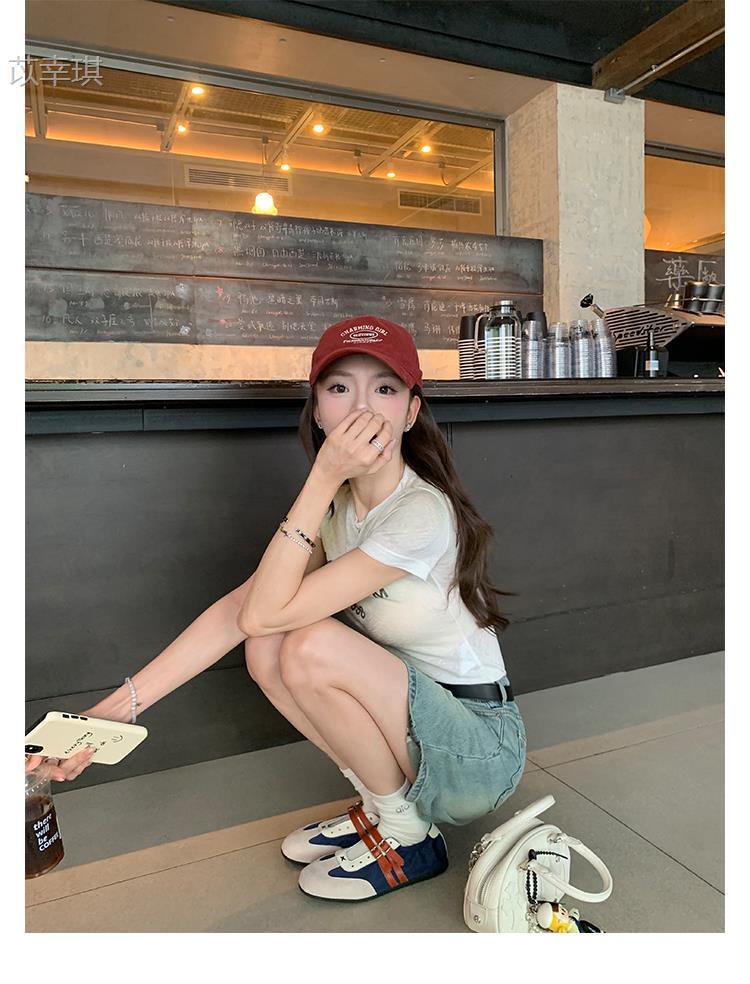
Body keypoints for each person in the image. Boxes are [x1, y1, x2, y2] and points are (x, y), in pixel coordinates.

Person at [25, 314, 526, 903]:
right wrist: (107, 715)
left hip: (478, 752)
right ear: (317, 411)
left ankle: (409, 835)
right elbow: (242, 611)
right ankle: (385, 805)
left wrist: (323, 474)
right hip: (414, 727)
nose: (361, 409)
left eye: (385, 389)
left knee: (307, 641)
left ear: (411, 412)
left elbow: (264, 612)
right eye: (339, 388)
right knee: (269, 645)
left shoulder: (419, 512)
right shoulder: (339, 509)